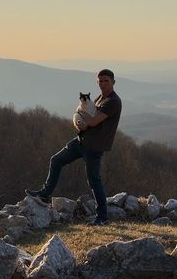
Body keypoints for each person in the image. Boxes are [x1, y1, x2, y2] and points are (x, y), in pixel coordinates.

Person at [25, 68, 122, 226]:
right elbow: (80, 117)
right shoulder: (98, 98)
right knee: (56, 160)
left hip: (94, 147)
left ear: (113, 82)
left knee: (94, 181)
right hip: (81, 141)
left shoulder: (113, 101)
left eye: (106, 81)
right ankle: (44, 195)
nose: (103, 84)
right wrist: (77, 121)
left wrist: (80, 116)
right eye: (100, 81)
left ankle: (102, 217)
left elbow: (93, 121)